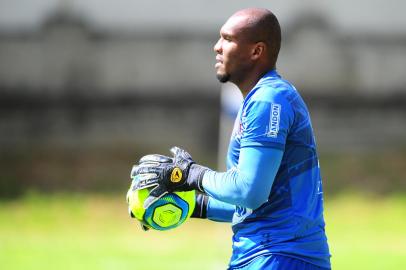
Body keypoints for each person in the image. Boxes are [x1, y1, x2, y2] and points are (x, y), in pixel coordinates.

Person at [129, 8, 331, 270]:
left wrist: (192, 174)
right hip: (273, 255)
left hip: (279, 257)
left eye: (228, 39)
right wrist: (192, 204)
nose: (217, 47)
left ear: (256, 51)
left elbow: (248, 191)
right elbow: (258, 204)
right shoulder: (264, 97)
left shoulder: (267, 100)